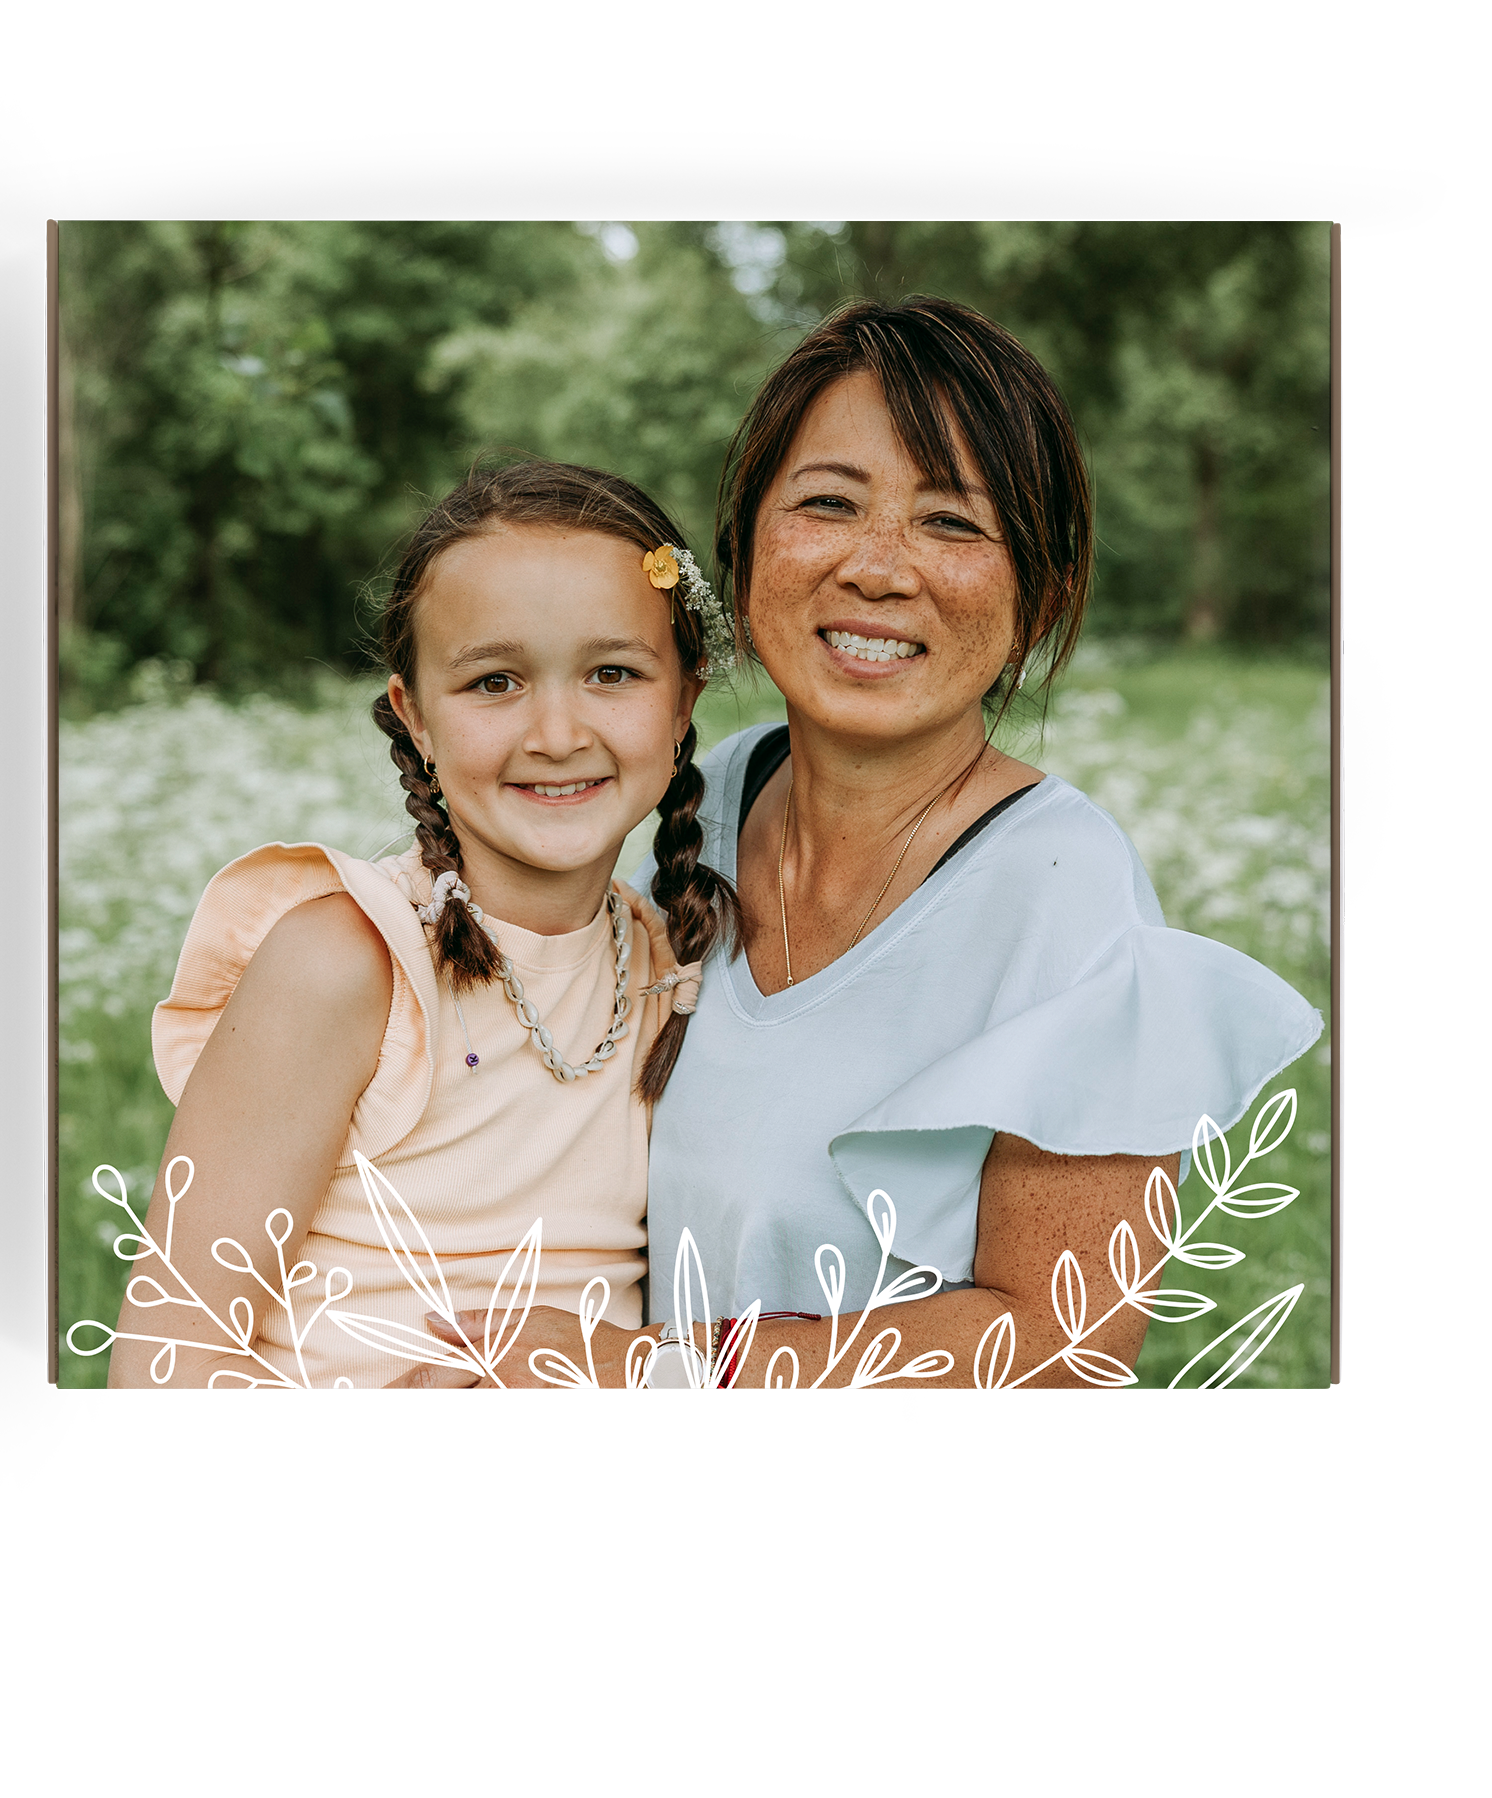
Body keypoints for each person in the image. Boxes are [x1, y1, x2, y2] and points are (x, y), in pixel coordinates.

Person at [433, 297, 1323, 1390]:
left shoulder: (1068, 902)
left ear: (1036, 596)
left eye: (950, 522)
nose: (877, 565)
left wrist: (652, 1372)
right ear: (743, 548)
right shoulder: (678, 803)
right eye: (827, 503)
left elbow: (1058, 1350)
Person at [99, 460, 737, 1388]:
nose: (557, 731)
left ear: (682, 702)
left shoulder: (662, 962)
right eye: (493, 683)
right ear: (417, 719)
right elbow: (168, 1360)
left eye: (613, 672)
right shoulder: (349, 962)